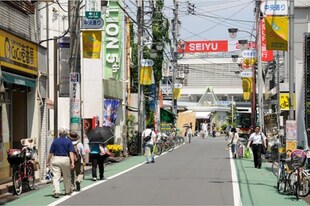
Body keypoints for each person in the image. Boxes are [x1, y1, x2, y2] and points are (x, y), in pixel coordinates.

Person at [46, 128, 75, 198]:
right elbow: (71, 152)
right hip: (65, 159)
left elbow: (50, 152)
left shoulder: (55, 141)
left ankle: (57, 192)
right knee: (67, 176)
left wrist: (47, 161)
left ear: (59, 134)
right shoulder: (68, 141)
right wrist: (73, 162)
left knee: (56, 176)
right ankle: (67, 191)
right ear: (65, 134)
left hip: (56, 158)